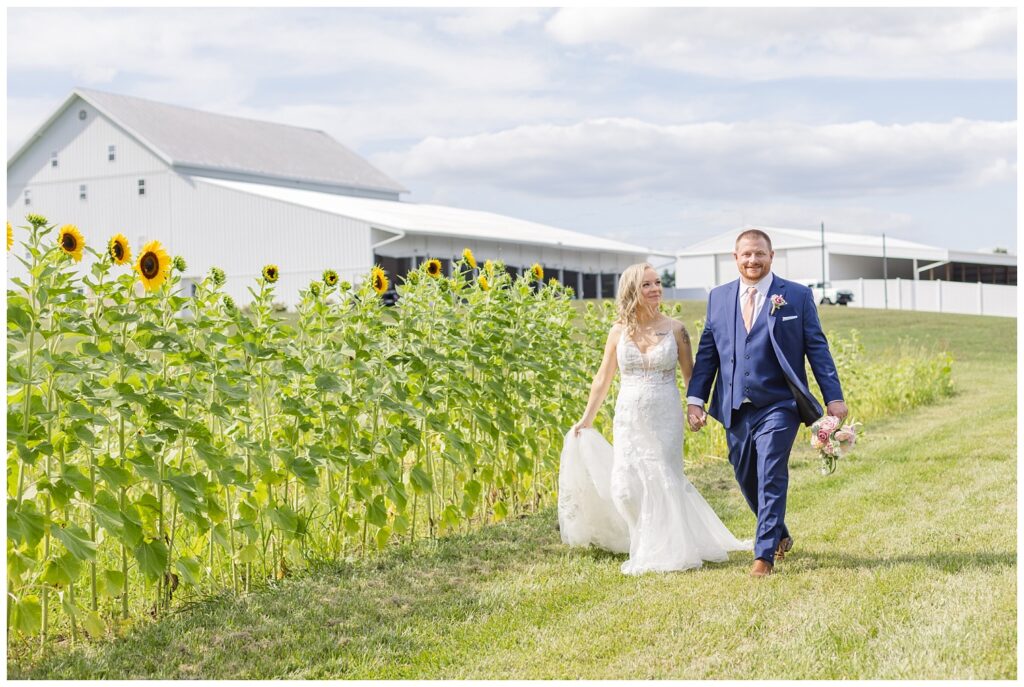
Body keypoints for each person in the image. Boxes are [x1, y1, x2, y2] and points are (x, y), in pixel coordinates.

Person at [559, 263, 750, 575]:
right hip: (628, 416)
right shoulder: (618, 332)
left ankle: (666, 548)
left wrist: (695, 407)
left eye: (658, 283)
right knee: (625, 486)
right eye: (647, 284)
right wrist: (586, 419)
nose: (656, 289)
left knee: (663, 477)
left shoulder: (676, 329)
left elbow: (692, 377)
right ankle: (639, 537)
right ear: (633, 290)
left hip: (665, 414)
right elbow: (602, 379)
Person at [687, 228, 847, 578]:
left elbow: (817, 349)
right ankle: (779, 533)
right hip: (734, 406)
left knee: (770, 471)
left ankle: (764, 557)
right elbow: (708, 353)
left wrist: (833, 397)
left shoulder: (796, 296)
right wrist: (696, 400)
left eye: (759, 253)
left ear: (771, 256)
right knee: (745, 476)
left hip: (780, 404)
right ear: (735, 258)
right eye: (746, 254)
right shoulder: (719, 298)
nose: (753, 260)